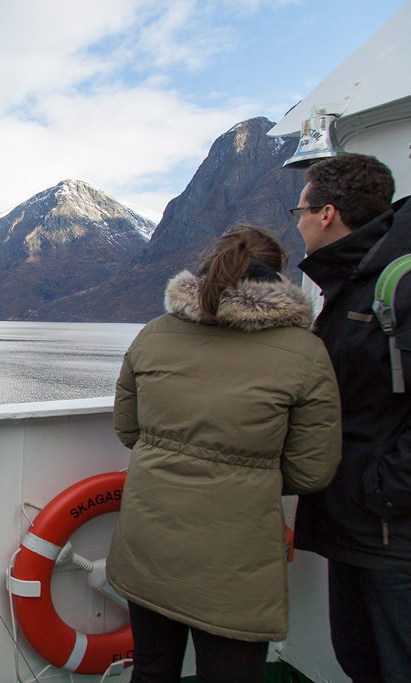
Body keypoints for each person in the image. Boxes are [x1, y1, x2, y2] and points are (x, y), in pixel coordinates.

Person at [106, 225, 341, 682]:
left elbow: (128, 429)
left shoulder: (154, 335)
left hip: (149, 542)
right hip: (237, 558)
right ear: (277, 278)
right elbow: (312, 469)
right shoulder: (305, 353)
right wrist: (251, 475)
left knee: (152, 668)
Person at [291, 152, 411, 681]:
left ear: (327, 214)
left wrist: (384, 490)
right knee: (359, 658)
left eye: (300, 210)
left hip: (390, 527)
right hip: (357, 517)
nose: (296, 223)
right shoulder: (350, 282)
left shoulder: (395, 285)